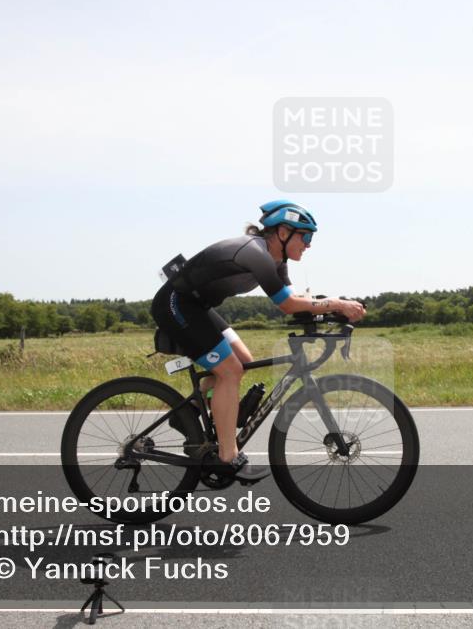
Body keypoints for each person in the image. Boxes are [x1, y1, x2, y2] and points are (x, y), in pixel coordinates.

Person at [150, 200, 365, 481]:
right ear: (284, 232)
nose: (309, 245)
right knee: (230, 370)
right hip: (175, 303)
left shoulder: (277, 263)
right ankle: (228, 457)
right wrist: (335, 303)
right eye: (306, 236)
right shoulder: (255, 253)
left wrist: (335, 310)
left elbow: (299, 301)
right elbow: (287, 304)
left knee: (243, 363)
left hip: (198, 307)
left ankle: (189, 415)